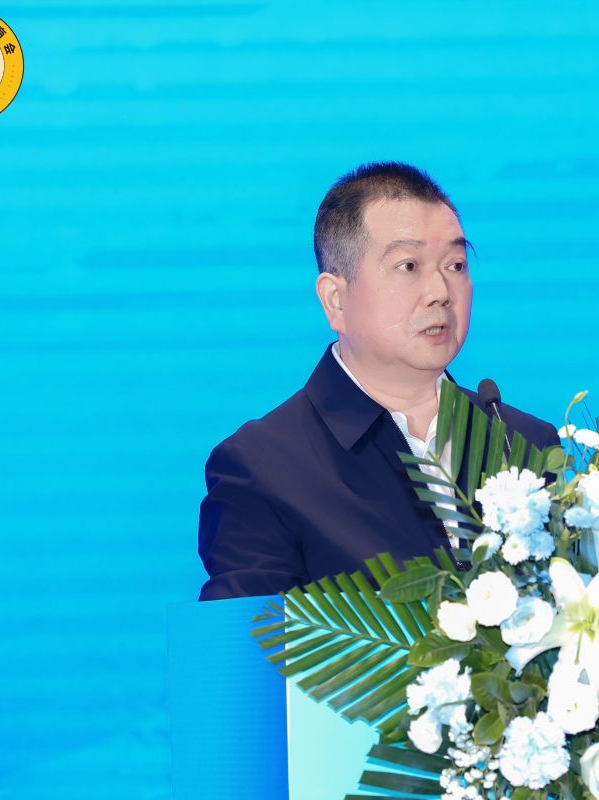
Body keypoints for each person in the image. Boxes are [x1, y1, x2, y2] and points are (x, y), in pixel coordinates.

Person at [197, 162, 559, 600]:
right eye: (408, 266)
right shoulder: (263, 468)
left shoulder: (523, 443)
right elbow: (251, 640)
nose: (441, 292)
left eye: (456, 264)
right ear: (335, 299)